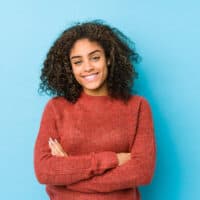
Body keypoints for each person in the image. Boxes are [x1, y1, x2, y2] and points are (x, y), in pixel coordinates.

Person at [34, 20, 156, 200]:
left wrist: (69, 176)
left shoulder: (137, 106)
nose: (87, 67)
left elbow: (142, 171)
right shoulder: (56, 108)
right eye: (77, 62)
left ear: (108, 58)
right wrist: (113, 159)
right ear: (70, 67)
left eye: (95, 57)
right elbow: (44, 171)